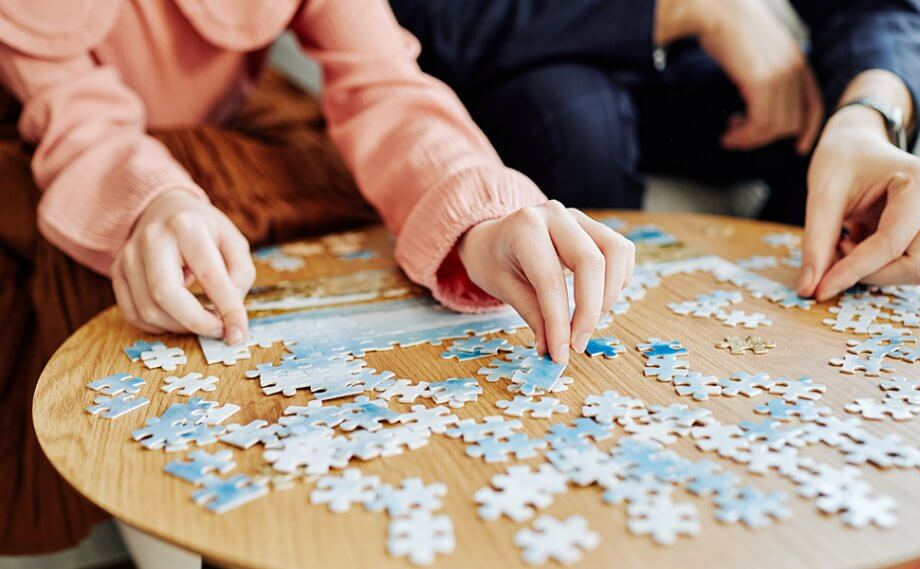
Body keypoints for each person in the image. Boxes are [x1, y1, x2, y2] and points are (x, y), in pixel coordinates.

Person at [0, 0, 633, 559]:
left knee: (365, 236)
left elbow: (382, 82)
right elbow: (80, 121)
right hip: (67, 146)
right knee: (134, 292)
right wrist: (150, 203)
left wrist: (481, 217)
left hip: (237, 126)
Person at [389, 0, 920, 301]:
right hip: (526, 62)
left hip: (692, 75)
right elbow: (424, 16)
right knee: (574, 124)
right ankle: (587, 340)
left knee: (826, 112)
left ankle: (795, 313)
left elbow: (881, 12)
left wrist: (866, 117)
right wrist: (684, 6)